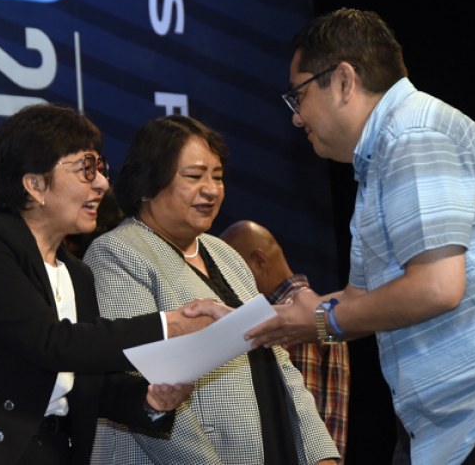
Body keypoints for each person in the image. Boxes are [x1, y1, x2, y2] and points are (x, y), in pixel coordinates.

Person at [242, 9, 475, 464]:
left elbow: (436, 287)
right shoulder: (381, 159)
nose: (297, 118)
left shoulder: (414, 134)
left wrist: (320, 319)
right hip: (460, 425)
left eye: (298, 95)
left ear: (343, 81)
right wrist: (252, 323)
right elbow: (361, 300)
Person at [0, 103, 225, 465]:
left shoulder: (78, 274)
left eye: (101, 169)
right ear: (35, 185)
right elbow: (50, 343)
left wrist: (150, 400)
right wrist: (168, 326)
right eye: (86, 169)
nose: (102, 184)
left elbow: (87, 381)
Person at [83, 115, 340, 465]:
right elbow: (143, 387)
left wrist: (320, 454)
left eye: (217, 177)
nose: (212, 189)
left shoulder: (225, 253)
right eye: (194, 176)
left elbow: (279, 360)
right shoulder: (117, 252)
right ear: (147, 183)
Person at [220, 219, 351, 460]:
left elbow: (300, 414)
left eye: (232, 270)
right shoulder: (310, 309)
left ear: (259, 261)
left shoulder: (290, 316)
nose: (227, 283)